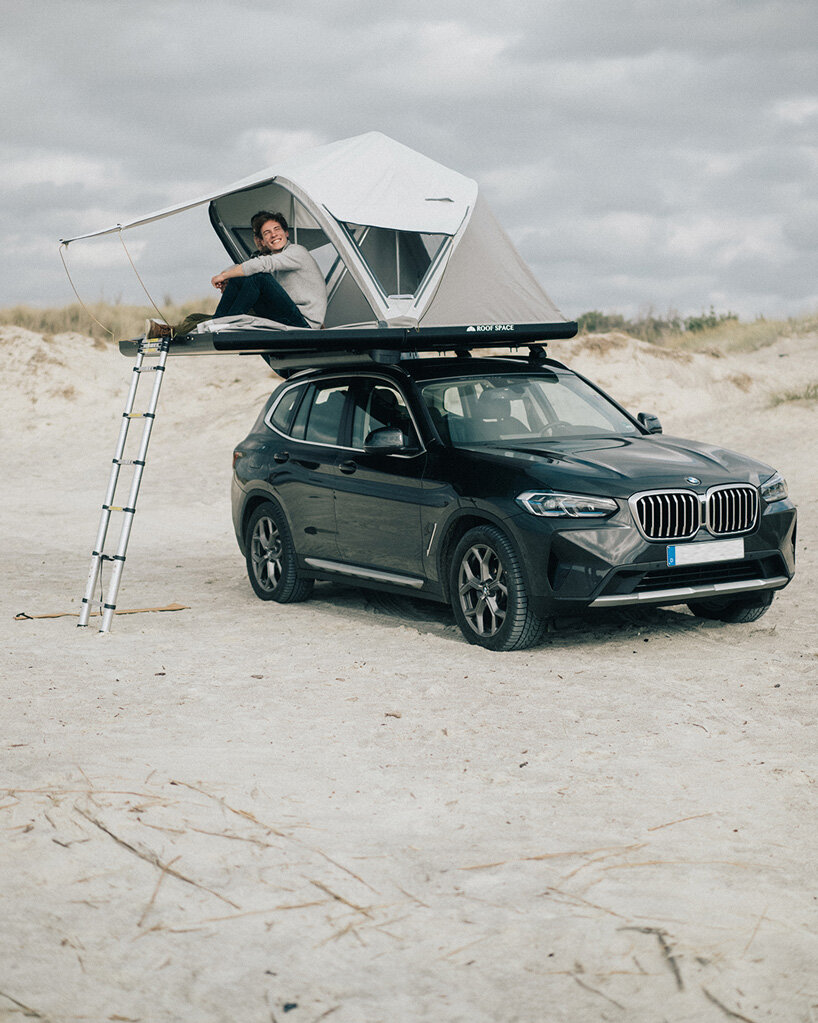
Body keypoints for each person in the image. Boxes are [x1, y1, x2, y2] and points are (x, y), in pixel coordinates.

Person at [146, 211, 327, 337]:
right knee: (196, 317)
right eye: (267, 233)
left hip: (303, 324)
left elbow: (262, 266)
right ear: (262, 241)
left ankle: (225, 324)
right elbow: (248, 265)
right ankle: (219, 322)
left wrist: (225, 276)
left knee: (257, 276)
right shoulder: (272, 257)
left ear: (287, 233)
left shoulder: (297, 252)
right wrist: (228, 276)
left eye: (277, 229)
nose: (273, 235)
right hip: (286, 317)